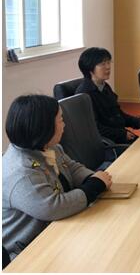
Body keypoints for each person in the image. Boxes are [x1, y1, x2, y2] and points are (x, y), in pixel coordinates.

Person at [2, 95, 112, 260]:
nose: (64, 124)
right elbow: (53, 207)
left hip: (56, 228)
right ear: (44, 127)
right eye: (60, 120)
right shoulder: (21, 172)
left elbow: (72, 168)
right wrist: (95, 185)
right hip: (26, 251)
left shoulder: (49, 147)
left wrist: (93, 177)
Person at [75, 47, 140, 144]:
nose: (108, 67)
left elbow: (119, 115)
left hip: (119, 136)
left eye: (108, 62)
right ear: (90, 69)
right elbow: (94, 128)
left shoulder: (104, 86)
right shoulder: (84, 95)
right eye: (102, 64)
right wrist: (122, 134)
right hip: (108, 143)